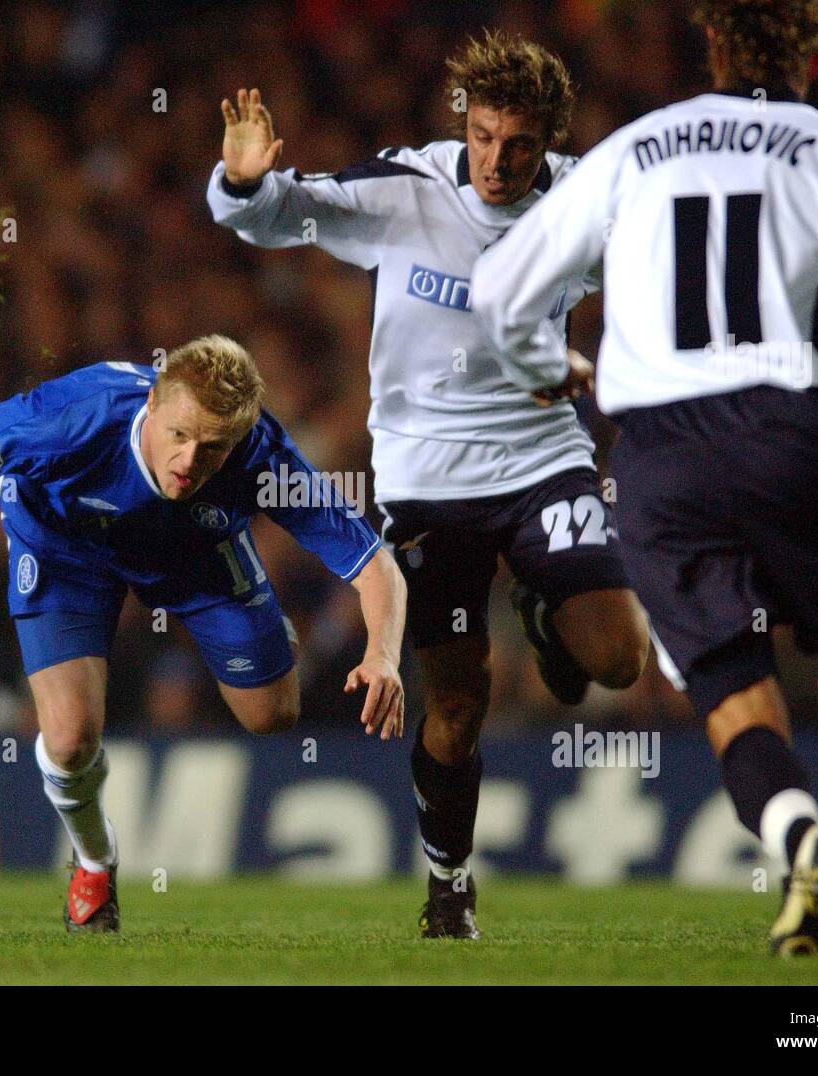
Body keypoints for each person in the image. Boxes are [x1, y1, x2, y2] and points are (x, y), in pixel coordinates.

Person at [472, 0, 818, 955]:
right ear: (816, 53)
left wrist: (543, 367)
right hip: (792, 433)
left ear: (712, 44)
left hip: (660, 457)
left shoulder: (635, 149)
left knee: (732, 693)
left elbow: (499, 291)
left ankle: (799, 836)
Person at [208, 30, 648, 939]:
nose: (496, 160)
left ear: (550, 140)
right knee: (456, 701)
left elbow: (654, 286)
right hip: (425, 479)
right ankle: (449, 884)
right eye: (482, 136)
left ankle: (545, 611)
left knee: (617, 660)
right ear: (465, 125)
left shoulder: (586, 204)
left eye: (519, 143)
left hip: (539, 458)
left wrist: (585, 361)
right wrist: (247, 183)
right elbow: (284, 214)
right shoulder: (409, 190)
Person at [0, 335, 407, 932]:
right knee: (67, 739)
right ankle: (93, 862)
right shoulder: (69, 421)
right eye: (180, 436)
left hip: (190, 552)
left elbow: (376, 564)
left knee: (272, 714)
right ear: (154, 405)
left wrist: (383, 655)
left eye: (213, 448)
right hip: (65, 548)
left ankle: (263, 619)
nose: (190, 460)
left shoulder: (262, 454)